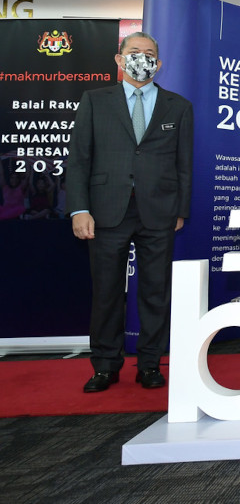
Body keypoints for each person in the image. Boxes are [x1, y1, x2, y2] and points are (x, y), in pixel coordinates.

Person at [66, 32, 194, 392]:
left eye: (150, 53)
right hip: (106, 210)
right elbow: (79, 160)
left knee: (156, 291)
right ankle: (105, 366)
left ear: (160, 63)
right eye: (135, 52)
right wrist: (79, 209)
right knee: (106, 291)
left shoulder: (178, 105)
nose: (143, 58)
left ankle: (150, 363)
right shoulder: (95, 100)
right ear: (119, 59)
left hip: (159, 211)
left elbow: (185, 163)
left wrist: (181, 209)